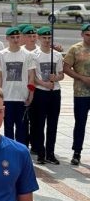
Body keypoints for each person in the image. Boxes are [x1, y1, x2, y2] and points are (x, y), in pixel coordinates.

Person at [0, 27, 35, 145]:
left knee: (22, 128)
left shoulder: (27, 55)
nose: (15, 40)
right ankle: (9, 150)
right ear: (7, 38)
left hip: (21, 96)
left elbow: (31, 76)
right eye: (12, 37)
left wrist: (31, 94)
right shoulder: (2, 54)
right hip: (7, 96)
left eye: (17, 37)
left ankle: (22, 151)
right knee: (8, 127)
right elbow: (0, 76)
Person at [31, 27, 63, 165]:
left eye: (49, 38)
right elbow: (33, 76)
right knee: (39, 123)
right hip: (41, 92)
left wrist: (55, 78)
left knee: (53, 123)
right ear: (39, 38)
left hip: (54, 92)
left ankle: (51, 152)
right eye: (44, 38)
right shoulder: (34, 55)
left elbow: (61, 74)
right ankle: (40, 152)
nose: (47, 40)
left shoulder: (57, 55)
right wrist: (44, 84)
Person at [63, 23, 90, 166]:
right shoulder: (75, 49)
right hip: (81, 92)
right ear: (82, 34)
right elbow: (66, 68)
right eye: (88, 35)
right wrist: (81, 77)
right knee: (80, 123)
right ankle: (77, 152)